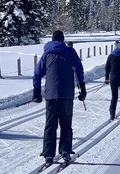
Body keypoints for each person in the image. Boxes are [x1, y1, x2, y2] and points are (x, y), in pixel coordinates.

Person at [33, 30, 86, 165]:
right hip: (67, 94)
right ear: (63, 40)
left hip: (51, 95)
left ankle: (48, 153)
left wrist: (37, 92)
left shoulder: (46, 54)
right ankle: (65, 150)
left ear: (52, 40)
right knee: (66, 123)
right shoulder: (70, 52)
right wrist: (83, 89)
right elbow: (79, 70)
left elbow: (37, 74)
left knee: (50, 124)